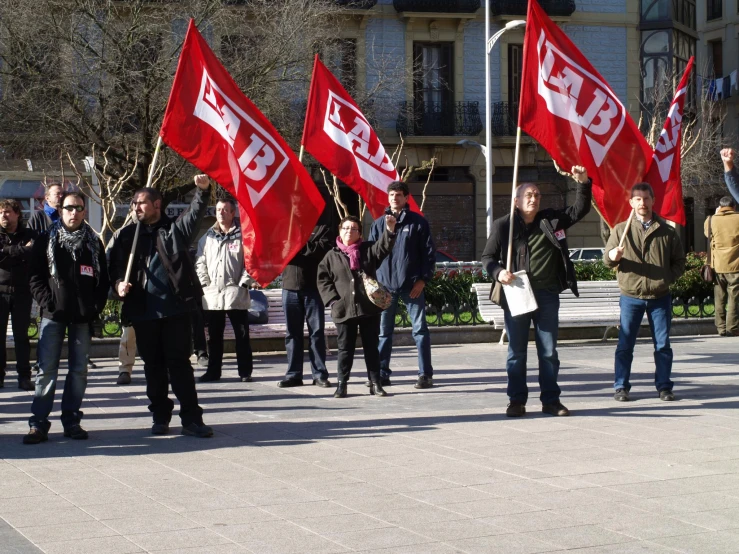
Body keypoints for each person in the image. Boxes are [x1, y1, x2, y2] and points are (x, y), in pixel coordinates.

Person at [481, 167, 592, 417]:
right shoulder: (504, 226)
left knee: (549, 351)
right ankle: (516, 401)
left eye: (537, 195)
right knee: (517, 352)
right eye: (528, 195)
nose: (534, 199)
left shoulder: (550, 220)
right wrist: (498, 272)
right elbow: (487, 257)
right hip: (517, 296)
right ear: (516, 201)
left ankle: (551, 400)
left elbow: (579, 210)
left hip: (547, 295)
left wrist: (583, 183)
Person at [108, 175, 213, 438]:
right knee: (153, 366)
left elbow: (194, 216)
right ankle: (159, 416)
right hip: (143, 312)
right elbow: (114, 268)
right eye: (133, 204)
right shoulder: (127, 236)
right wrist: (119, 284)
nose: (136, 208)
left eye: (141, 203)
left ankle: (191, 418)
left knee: (179, 365)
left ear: (157, 204)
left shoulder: (173, 230)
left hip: (175, 310)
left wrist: (202, 191)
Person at [23, 192, 108, 444]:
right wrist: (48, 302)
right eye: (69, 207)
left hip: (82, 317)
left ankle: (71, 420)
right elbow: (35, 277)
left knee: (78, 370)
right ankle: (38, 424)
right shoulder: (46, 239)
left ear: (84, 212)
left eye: (79, 208)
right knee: (46, 370)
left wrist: (94, 308)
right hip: (53, 315)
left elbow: (102, 281)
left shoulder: (93, 242)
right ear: (61, 210)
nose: (74, 212)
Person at [605, 183, 686, 402]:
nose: (642, 203)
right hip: (631, 296)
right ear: (631, 203)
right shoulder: (621, 230)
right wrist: (614, 255)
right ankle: (621, 386)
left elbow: (679, 261)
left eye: (646, 198)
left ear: (653, 200)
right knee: (625, 345)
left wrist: (666, 279)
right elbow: (607, 260)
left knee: (662, 345)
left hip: (659, 297)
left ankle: (664, 387)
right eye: (638, 199)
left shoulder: (667, 231)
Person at [317, 214, 396, 398]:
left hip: (368, 308)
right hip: (344, 310)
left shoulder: (367, 249)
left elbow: (383, 248)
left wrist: (390, 230)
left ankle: (375, 383)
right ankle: (342, 384)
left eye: (353, 229)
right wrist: (333, 301)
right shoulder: (331, 255)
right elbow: (323, 279)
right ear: (340, 231)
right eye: (345, 228)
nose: (349, 232)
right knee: (345, 349)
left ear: (359, 232)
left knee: (371, 347)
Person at [368, 182, 436, 389]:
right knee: (383, 332)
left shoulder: (418, 223)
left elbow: (429, 254)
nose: (394, 198)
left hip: (412, 286)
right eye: (391, 195)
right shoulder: (378, 224)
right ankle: (381, 373)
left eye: (399, 195)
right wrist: (373, 283)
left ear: (406, 198)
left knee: (420, 330)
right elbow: (371, 256)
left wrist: (423, 280)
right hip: (385, 287)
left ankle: (425, 375)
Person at [195, 197, 254, 382]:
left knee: (242, 335)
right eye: (218, 209)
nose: (220, 213)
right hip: (213, 295)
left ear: (232, 213)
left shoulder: (244, 236)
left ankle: (245, 372)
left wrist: (243, 284)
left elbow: (251, 262)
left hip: (235, 292)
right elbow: (200, 262)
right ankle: (213, 371)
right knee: (214, 337)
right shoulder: (207, 237)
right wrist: (205, 284)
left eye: (224, 210)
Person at [278, 223, 332, 388]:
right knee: (292, 334)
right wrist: (303, 246)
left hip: (313, 289)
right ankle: (294, 374)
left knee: (316, 333)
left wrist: (296, 244)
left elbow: (320, 252)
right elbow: (281, 252)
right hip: (290, 287)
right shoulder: (287, 227)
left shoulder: (323, 228)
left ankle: (319, 374)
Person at [0, 199, 36, 390]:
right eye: (0, 213)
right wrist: (22, 250)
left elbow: (34, 255)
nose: (3, 216)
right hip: (1, 291)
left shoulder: (29, 234)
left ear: (16, 214)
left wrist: (8, 253)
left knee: (21, 336)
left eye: (7, 212)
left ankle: (24, 376)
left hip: (22, 291)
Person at [704, 196, 739, 336]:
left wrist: (716, 214)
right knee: (734, 298)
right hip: (736, 265)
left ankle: (721, 328)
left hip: (717, 265)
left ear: (720, 206)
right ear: (734, 207)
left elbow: (708, 234)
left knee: (719, 298)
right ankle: (733, 328)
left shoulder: (711, 220)